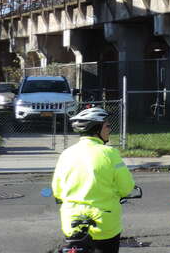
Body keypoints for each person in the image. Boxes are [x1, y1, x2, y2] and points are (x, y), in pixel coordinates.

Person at [51, 107, 136, 253]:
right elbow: (126, 187)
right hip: (104, 223)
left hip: (72, 221)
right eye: (107, 126)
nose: (110, 129)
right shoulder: (110, 153)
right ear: (97, 129)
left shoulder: (66, 154)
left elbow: (57, 190)